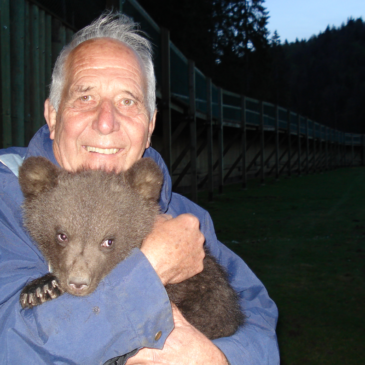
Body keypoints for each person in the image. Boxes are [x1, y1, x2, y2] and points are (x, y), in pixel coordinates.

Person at [0, 12, 279, 365]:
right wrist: (151, 266)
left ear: (149, 126)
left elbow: (258, 312)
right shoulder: (8, 198)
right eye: (85, 97)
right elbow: (11, 345)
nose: (105, 122)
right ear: (53, 116)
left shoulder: (186, 218)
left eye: (127, 101)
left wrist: (219, 358)